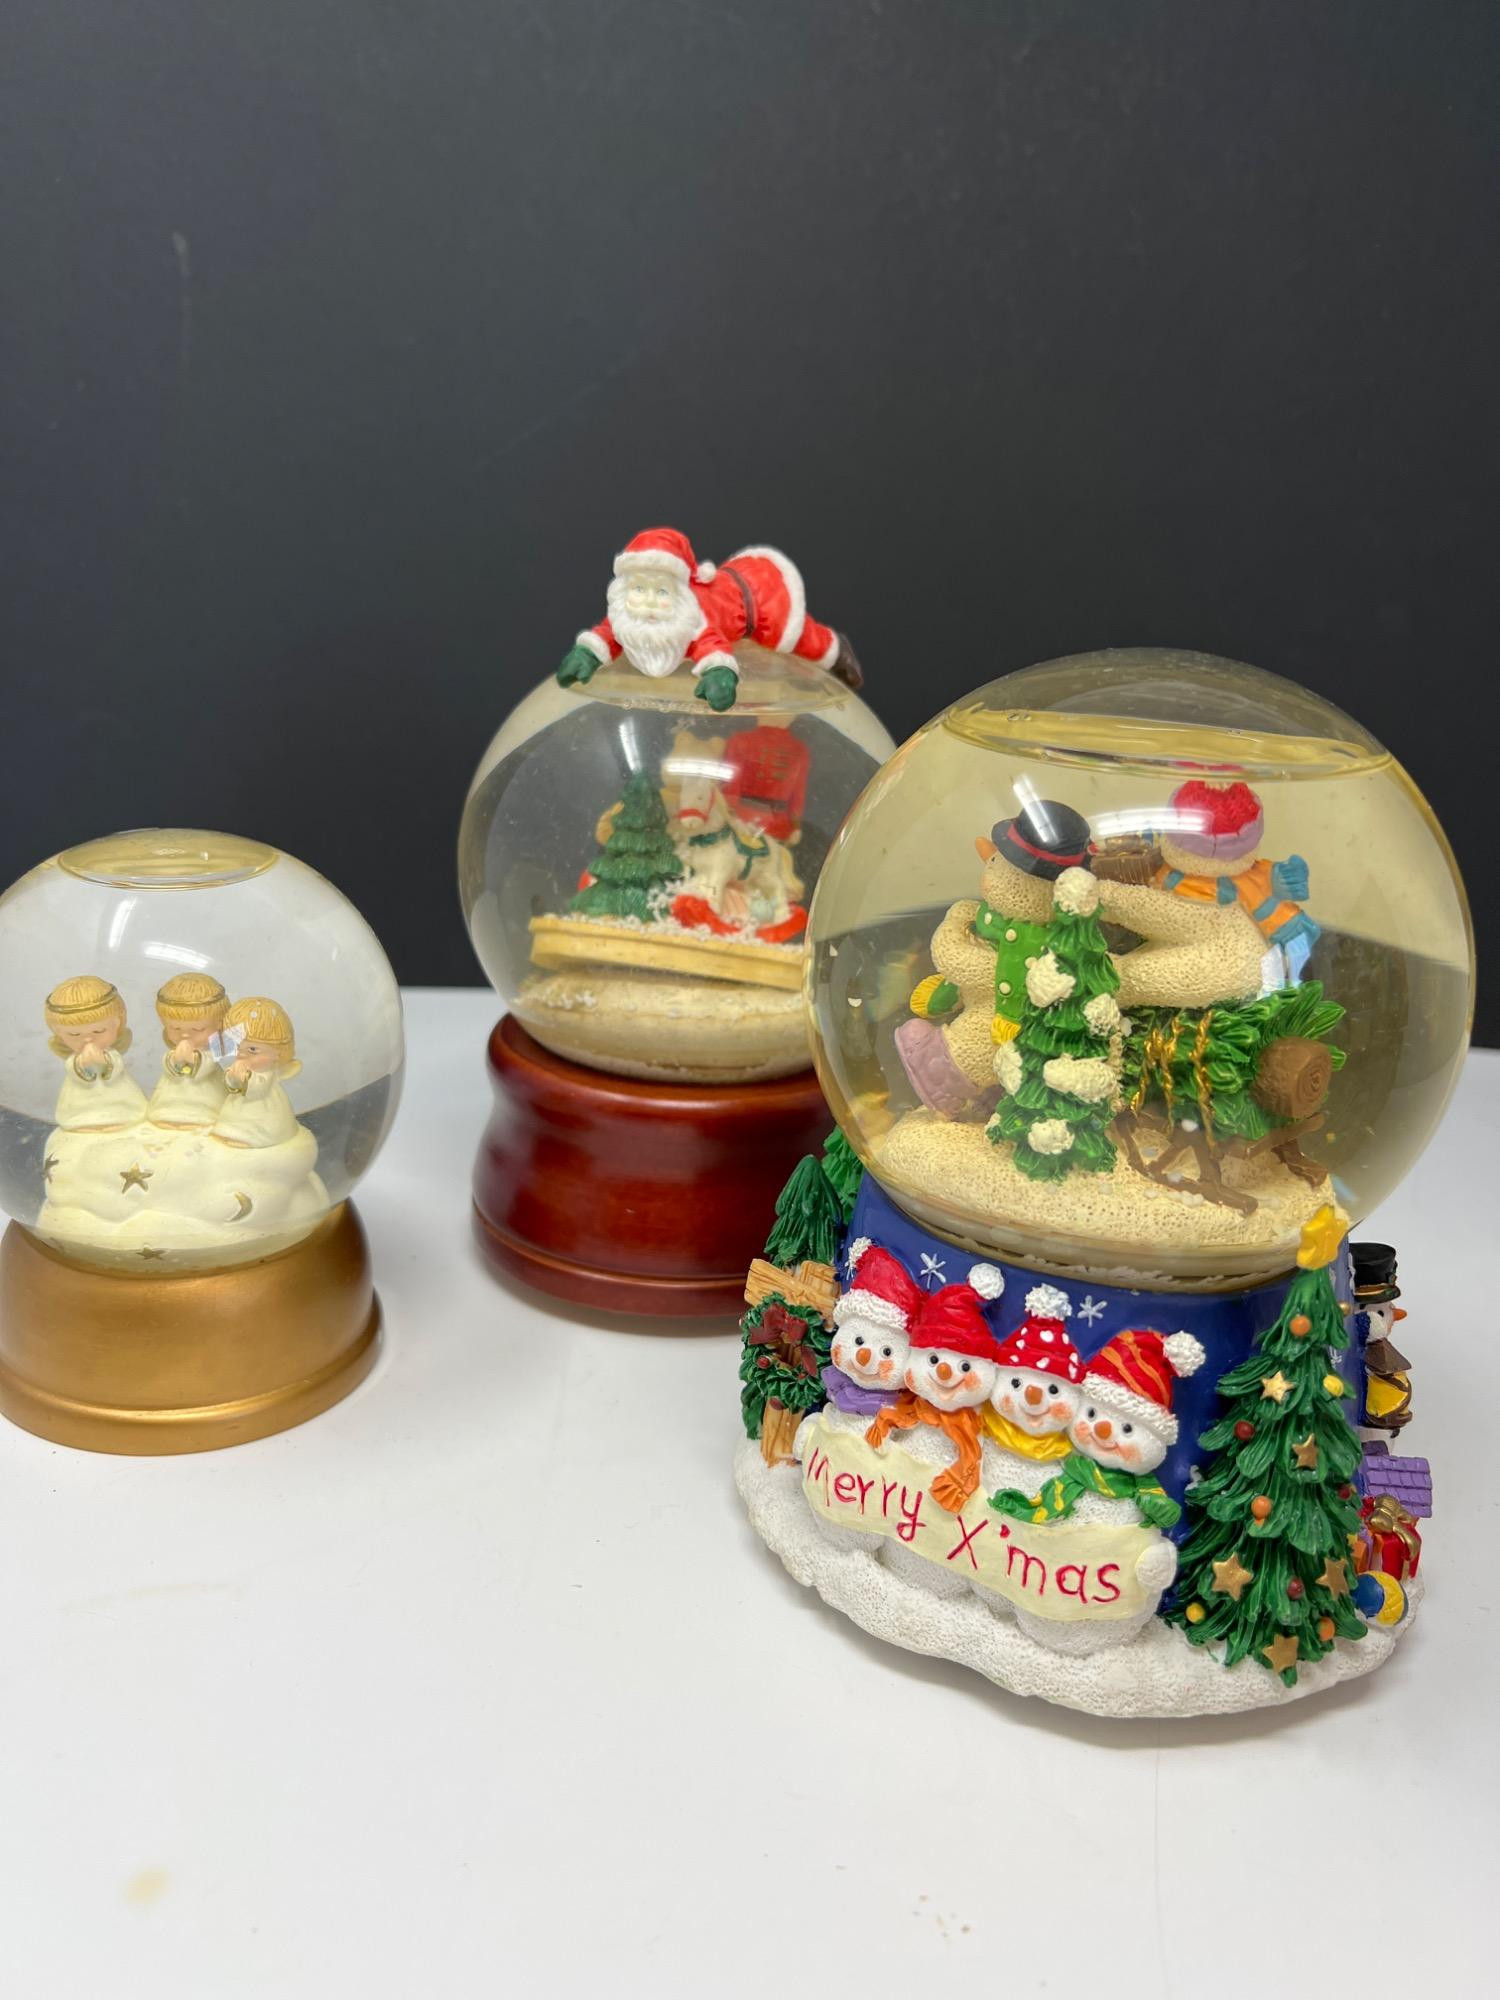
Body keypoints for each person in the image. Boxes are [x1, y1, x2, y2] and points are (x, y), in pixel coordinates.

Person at [43, 975, 148, 1131]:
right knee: (78, 1110)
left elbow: (116, 1069)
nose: (88, 1039)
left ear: (117, 1023)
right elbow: (73, 1070)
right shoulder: (74, 1060)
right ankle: (83, 1123)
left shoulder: (111, 1055)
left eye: (99, 1031)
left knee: (125, 1109)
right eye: (74, 1034)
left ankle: (120, 1118)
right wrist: (80, 1064)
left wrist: (105, 1061)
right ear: (58, 1032)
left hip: (116, 1094)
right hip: (81, 1096)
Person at [211, 996, 304, 1149]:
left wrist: (244, 1078)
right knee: (232, 1122)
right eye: (238, 1047)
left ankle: (255, 1138)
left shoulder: (267, 1074)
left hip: (263, 1112)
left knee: (255, 1126)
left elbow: (258, 1090)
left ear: (277, 1053)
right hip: (239, 1107)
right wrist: (232, 1076)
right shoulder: (240, 1064)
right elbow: (231, 1085)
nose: (242, 1054)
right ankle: (233, 1134)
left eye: (253, 1050)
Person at [147, 973, 231, 1128]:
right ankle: (168, 1116)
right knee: (166, 1107)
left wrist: (193, 1058)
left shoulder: (211, 1051)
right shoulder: (175, 1050)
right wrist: (175, 1059)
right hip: (173, 1091)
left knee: (208, 1110)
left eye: (197, 1029)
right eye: (175, 1028)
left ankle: (200, 1118)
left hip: (205, 1093)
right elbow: (168, 1066)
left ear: (219, 1023)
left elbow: (208, 1066)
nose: (185, 1035)